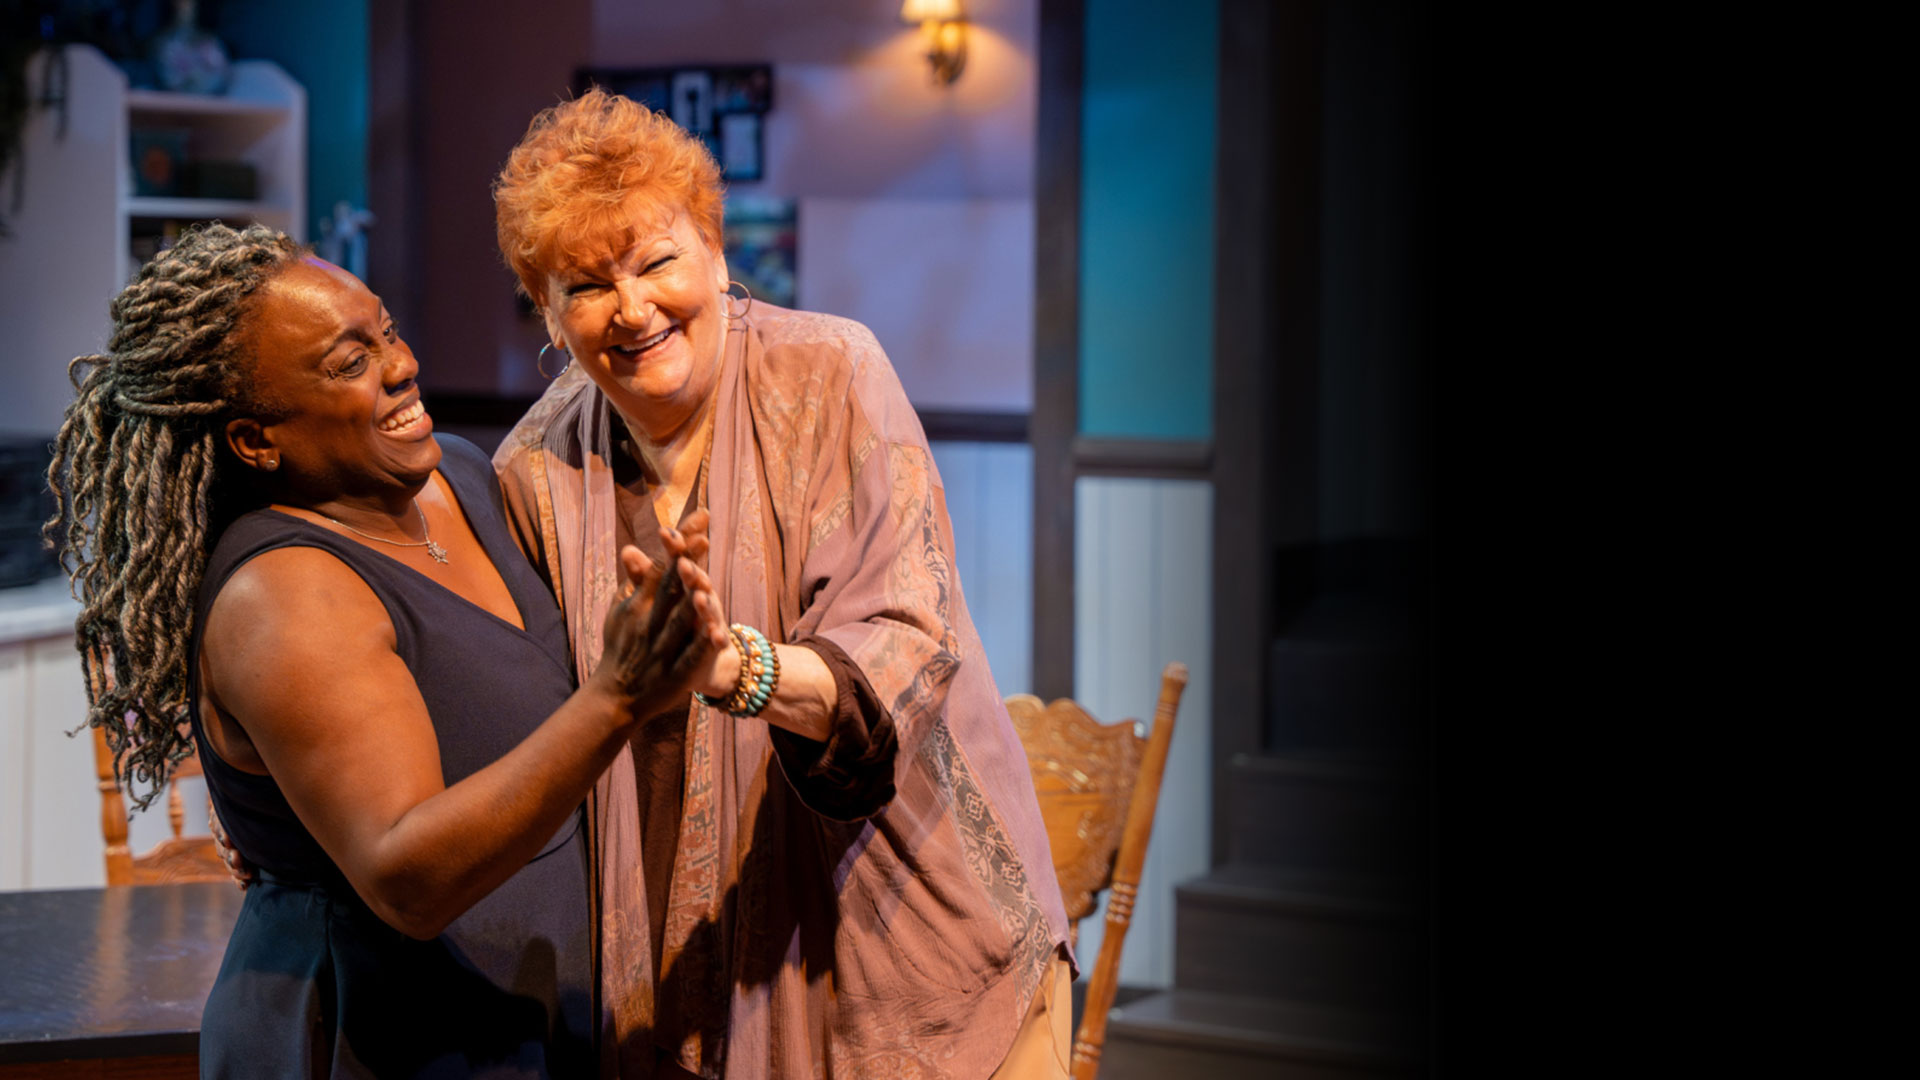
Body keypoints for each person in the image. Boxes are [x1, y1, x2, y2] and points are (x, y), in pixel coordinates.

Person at [44, 222, 726, 1078]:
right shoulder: (284, 593)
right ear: (258, 441)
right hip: (374, 1035)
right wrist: (617, 698)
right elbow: (407, 879)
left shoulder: (459, 479)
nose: (401, 366)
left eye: (387, 331)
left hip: (511, 1009)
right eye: (348, 362)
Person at [490, 89, 1074, 1080]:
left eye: (656, 261)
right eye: (584, 284)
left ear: (716, 254)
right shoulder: (534, 471)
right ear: (548, 312)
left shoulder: (831, 371)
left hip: (912, 945)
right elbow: (527, 710)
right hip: (684, 982)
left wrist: (740, 669)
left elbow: (904, 637)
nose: (631, 308)